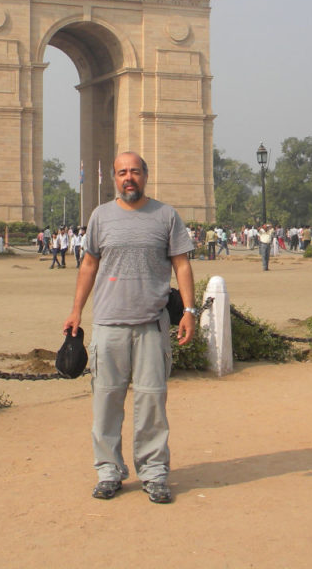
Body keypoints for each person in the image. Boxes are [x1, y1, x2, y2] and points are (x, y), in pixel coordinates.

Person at [62, 152, 195, 505]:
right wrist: (76, 311)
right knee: (106, 402)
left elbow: (182, 265)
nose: (128, 178)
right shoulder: (100, 216)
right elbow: (88, 264)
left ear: (146, 176)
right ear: (115, 178)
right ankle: (108, 470)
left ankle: (154, 473)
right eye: (122, 172)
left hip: (151, 324)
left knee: (152, 402)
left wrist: (190, 310)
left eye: (134, 171)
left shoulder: (166, 215)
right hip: (109, 323)